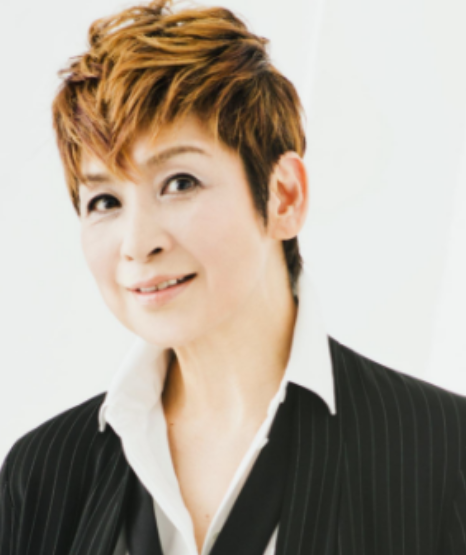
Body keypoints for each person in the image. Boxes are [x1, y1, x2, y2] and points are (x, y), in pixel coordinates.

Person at [1, 1, 466, 554]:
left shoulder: (444, 453)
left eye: (180, 182)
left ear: (283, 196)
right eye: (104, 200)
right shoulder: (42, 474)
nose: (137, 243)